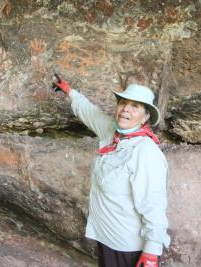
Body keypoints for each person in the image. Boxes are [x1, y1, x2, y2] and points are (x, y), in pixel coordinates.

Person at [53, 75, 170, 267]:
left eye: (135, 106)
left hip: (126, 246)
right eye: (123, 102)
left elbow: (154, 204)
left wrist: (152, 250)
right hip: (107, 238)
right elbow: (90, 112)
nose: (126, 109)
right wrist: (69, 91)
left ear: (146, 116)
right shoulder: (112, 133)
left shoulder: (145, 152)